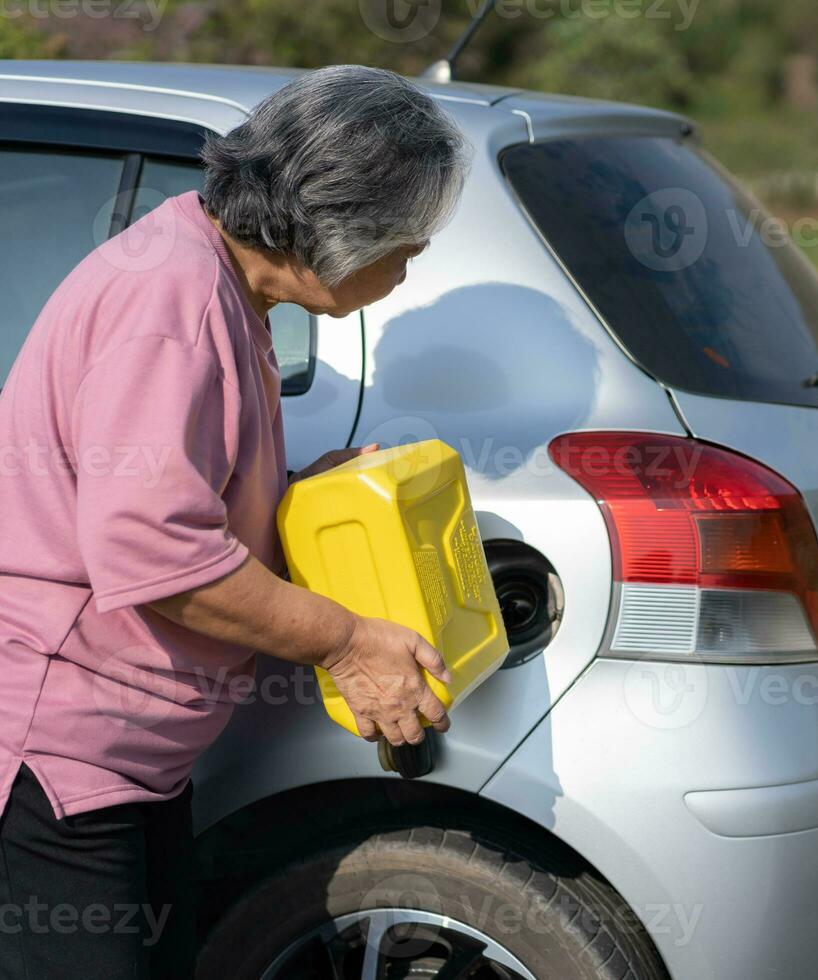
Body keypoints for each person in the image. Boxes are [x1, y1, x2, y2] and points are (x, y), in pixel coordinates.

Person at [0, 65, 470, 977]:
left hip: (132, 757)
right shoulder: (170, 299)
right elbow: (153, 549)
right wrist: (345, 643)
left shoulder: (219, 284)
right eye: (404, 245)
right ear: (338, 223)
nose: (407, 268)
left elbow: (175, 488)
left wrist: (295, 493)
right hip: (60, 757)